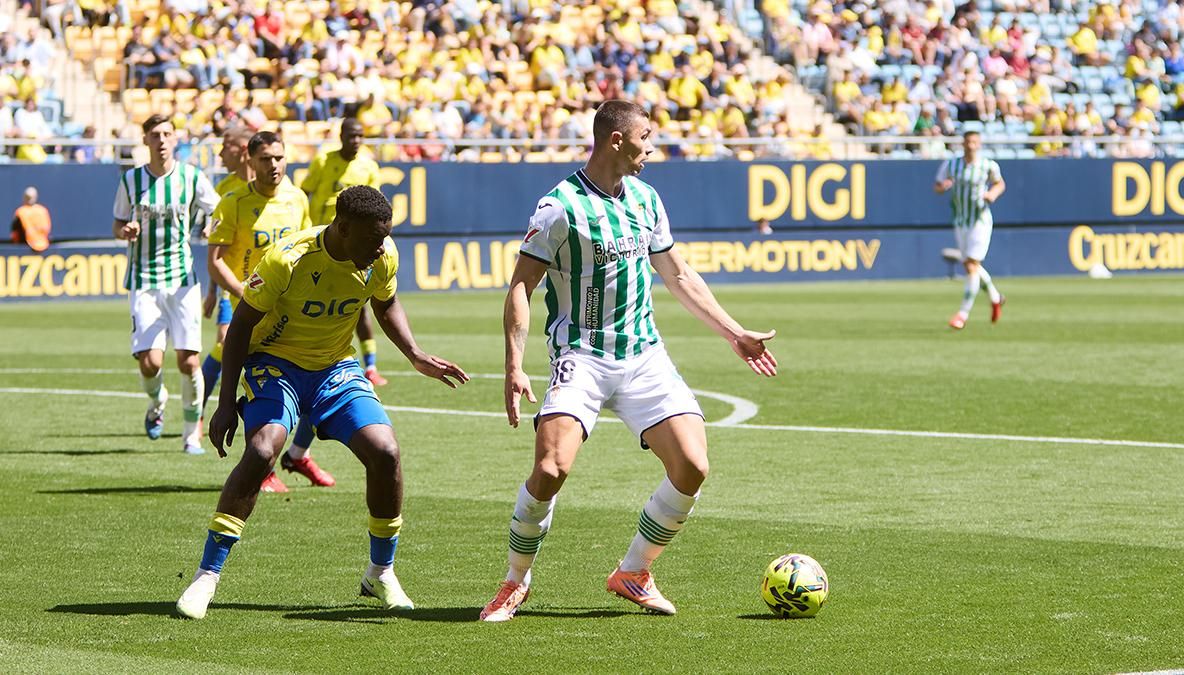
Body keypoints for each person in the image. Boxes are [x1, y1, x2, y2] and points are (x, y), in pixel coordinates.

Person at [480, 100, 778, 623]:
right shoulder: (560, 207)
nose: (652, 148)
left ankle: (635, 570)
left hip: (644, 355)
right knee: (551, 468)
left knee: (693, 465)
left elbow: (679, 275)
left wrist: (734, 333)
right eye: (646, 137)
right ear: (615, 140)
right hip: (582, 355)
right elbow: (521, 286)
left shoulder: (645, 198)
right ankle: (514, 581)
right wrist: (514, 363)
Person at [176, 186, 469, 620]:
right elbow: (239, 328)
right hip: (274, 365)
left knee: (385, 452)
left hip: (335, 368)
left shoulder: (381, 254)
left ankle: (380, 572)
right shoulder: (286, 260)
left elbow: (386, 304)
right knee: (260, 452)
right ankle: (206, 576)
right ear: (343, 228)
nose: (380, 247)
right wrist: (223, 405)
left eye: (384, 238)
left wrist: (414, 354)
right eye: (372, 239)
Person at [207, 130, 336, 494]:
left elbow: (309, 250)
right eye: (265, 159)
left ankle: (295, 453)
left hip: (293, 310)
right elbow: (214, 262)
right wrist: (244, 294)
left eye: (279, 157)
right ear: (251, 161)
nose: (274, 165)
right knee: (264, 386)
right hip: (252, 315)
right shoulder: (231, 203)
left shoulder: (297, 199)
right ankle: (261, 466)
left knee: (315, 380)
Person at [111, 114, 219, 455]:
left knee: (189, 361)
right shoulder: (131, 181)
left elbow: (218, 211)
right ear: (145, 141)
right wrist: (124, 232)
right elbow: (116, 223)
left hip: (182, 280)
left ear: (175, 140)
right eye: (155, 134)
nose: (161, 140)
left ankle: (191, 436)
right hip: (143, 281)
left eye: (167, 134)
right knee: (151, 362)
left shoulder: (191, 177)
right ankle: (157, 402)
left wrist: (211, 227)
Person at [300, 119, 389, 387]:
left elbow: (376, 209)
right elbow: (305, 191)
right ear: (341, 136)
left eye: (361, 136)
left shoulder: (369, 166)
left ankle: (370, 366)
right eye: (351, 135)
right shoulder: (322, 161)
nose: (356, 140)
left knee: (359, 305)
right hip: (319, 244)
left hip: (353, 247)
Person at [200, 126, 255, 412]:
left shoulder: (280, 190)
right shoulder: (222, 191)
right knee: (224, 342)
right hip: (231, 285)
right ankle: (197, 414)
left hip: (270, 284)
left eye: (226, 146)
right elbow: (216, 248)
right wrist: (213, 289)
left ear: (243, 150)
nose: (221, 153)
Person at [933, 130, 1006, 329]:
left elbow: (1000, 184)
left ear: (979, 144)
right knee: (970, 265)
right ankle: (995, 297)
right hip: (960, 220)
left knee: (972, 265)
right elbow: (937, 186)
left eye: (974, 142)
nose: (971, 145)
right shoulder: (952, 164)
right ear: (963, 144)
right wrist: (943, 187)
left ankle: (962, 314)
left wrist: (992, 194)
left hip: (980, 220)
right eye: (968, 142)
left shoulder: (988, 165)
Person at [11, 186, 51, 251]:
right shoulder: (43, 210)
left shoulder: (21, 212)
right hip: (41, 245)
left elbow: (14, 234)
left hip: (28, 245)